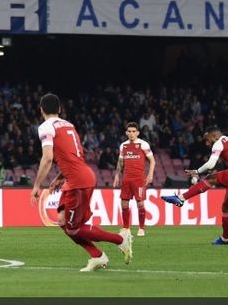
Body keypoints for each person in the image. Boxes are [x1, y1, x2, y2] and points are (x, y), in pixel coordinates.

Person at [31, 93, 132, 272]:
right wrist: (59, 177)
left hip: (78, 180)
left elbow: (47, 158)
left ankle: (121, 240)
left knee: (73, 228)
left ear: (41, 110)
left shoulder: (45, 127)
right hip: (77, 177)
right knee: (62, 220)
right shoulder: (69, 125)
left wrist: (37, 185)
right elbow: (74, 156)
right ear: (60, 109)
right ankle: (97, 256)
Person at [162, 126, 228, 245]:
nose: (207, 143)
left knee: (226, 209)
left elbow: (210, 164)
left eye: (207, 140)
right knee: (212, 178)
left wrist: (197, 172)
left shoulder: (218, 144)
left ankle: (226, 239)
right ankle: (181, 198)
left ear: (214, 136)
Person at [113, 122, 155, 237]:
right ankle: (126, 228)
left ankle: (141, 228)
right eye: (129, 131)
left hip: (139, 179)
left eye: (133, 131)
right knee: (124, 204)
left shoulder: (143, 144)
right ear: (126, 133)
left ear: (137, 133)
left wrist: (150, 175)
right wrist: (117, 175)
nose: (131, 134)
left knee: (140, 204)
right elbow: (120, 162)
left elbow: (152, 160)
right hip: (126, 178)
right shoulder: (123, 145)